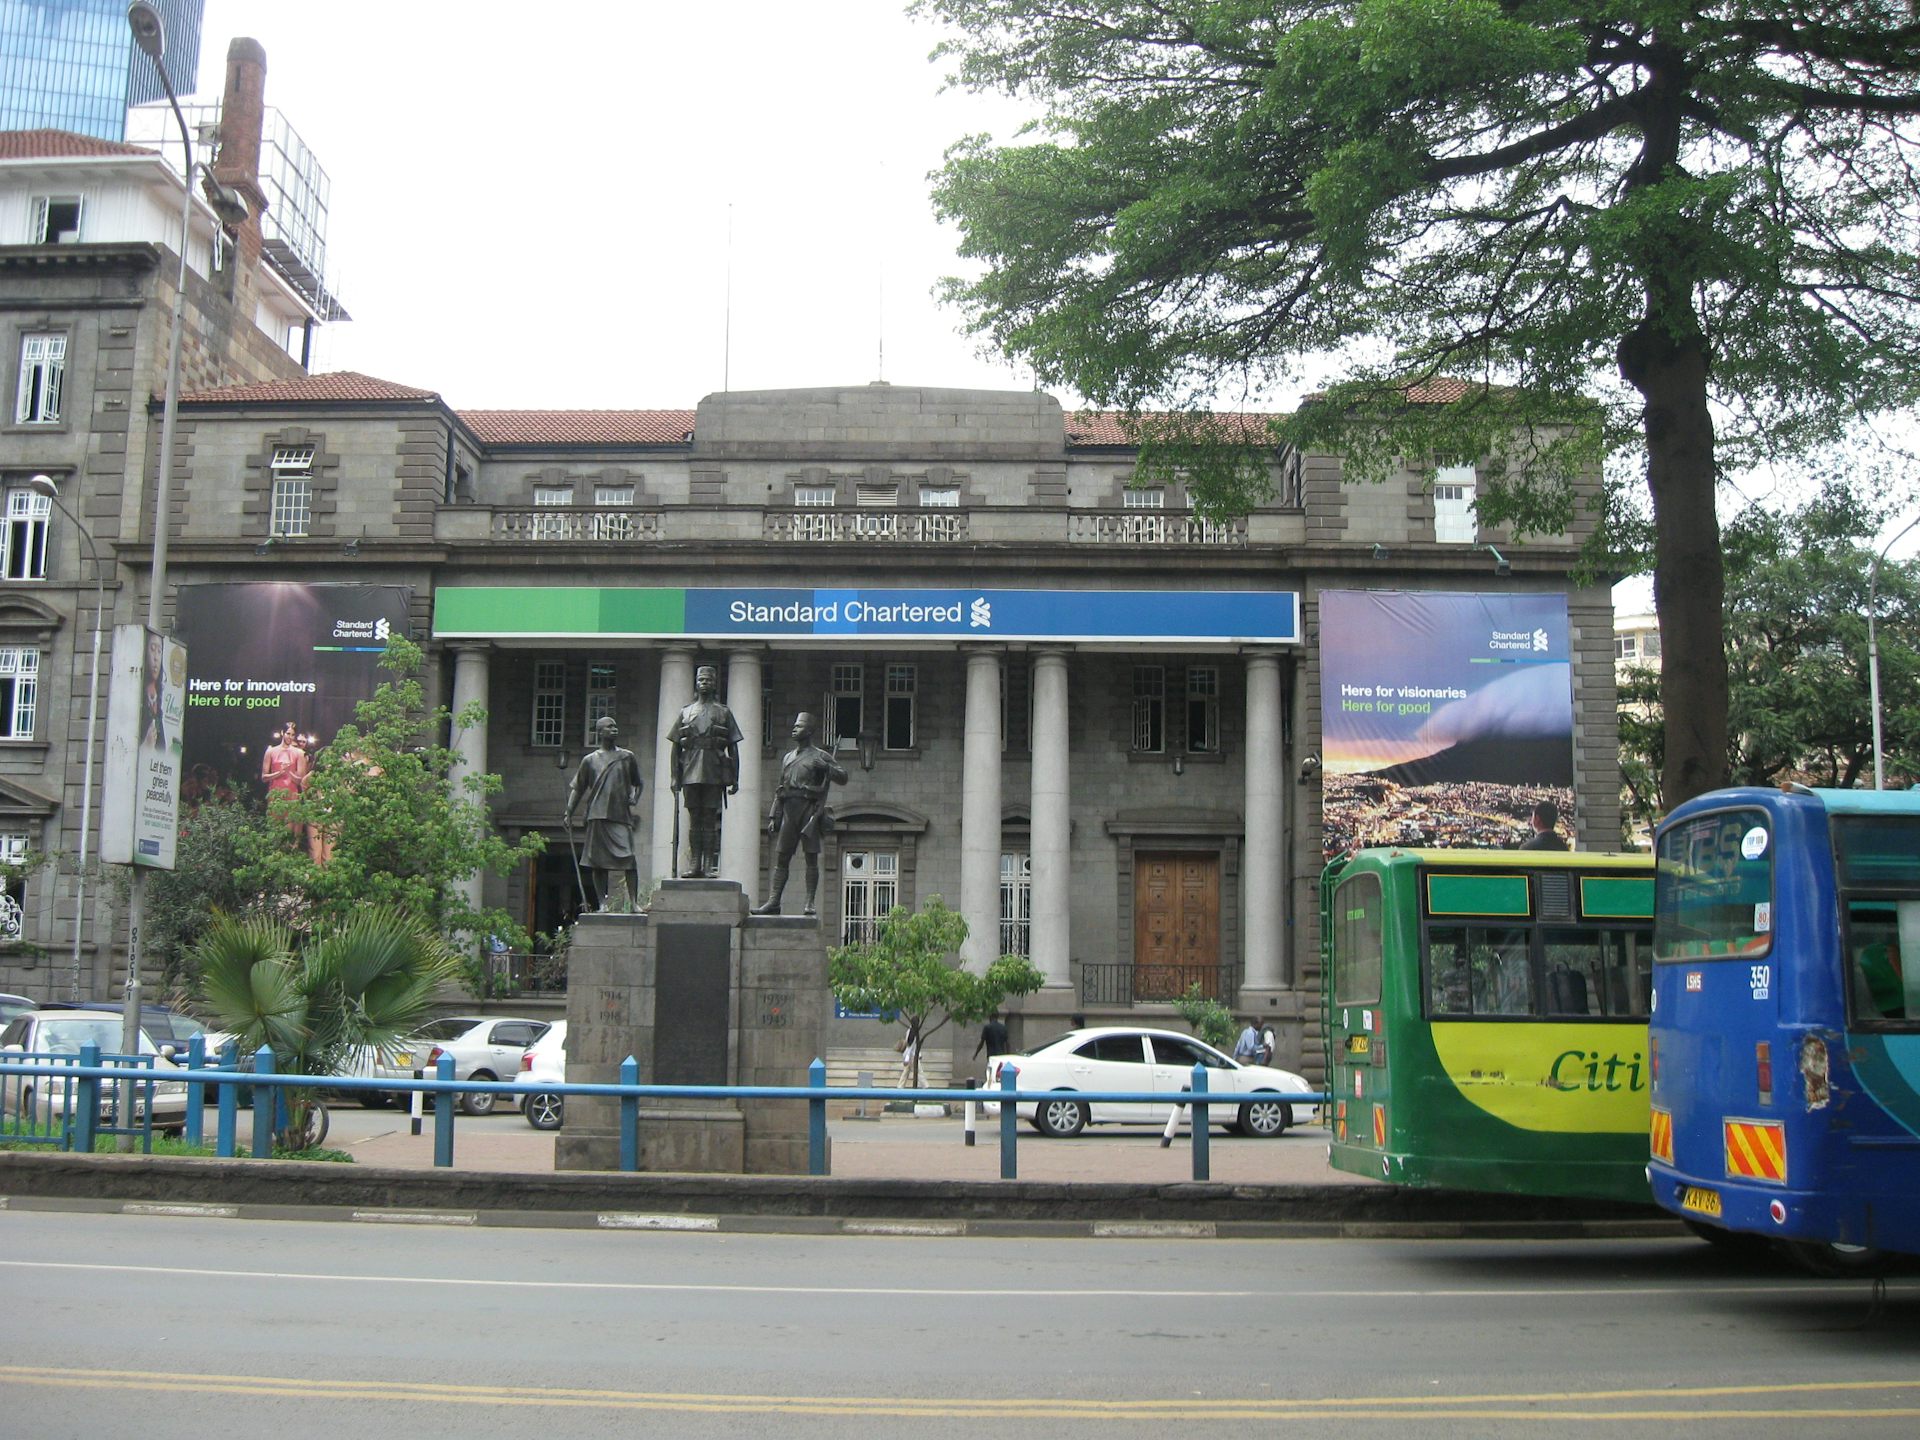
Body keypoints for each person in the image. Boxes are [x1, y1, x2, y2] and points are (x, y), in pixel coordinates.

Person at [753, 712, 847, 916]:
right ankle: (774, 901)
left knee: (811, 857)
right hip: (789, 808)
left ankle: (810, 902)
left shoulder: (820, 755)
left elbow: (842, 776)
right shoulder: (788, 757)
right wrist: (773, 816)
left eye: (800, 726)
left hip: (809, 808)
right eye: (794, 725)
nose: (794, 729)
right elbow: (781, 787)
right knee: (782, 857)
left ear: (810, 731)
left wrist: (827, 768)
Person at [668, 664, 743, 878]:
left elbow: (733, 747)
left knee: (710, 818)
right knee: (694, 818)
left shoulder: (724, 712)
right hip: (690, 768)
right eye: (701, 680)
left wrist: (735, 778)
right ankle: (695, 864)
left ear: (714, 684)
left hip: (714, 769)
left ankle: (709, 864)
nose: (704, 683)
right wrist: (674, 776)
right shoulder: (685, 712)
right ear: (696, 683)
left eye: (708, 680)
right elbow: (675, 746)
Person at [565, 716, 645, 911]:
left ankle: (634, 903)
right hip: (597, 814)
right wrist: (568, 813)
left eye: (615, 726)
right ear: (600, 732)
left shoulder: (627, 756)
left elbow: (639, 783)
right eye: (609, 727)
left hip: (620, 815)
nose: (614, 729)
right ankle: (602, 903)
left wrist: (634, 797)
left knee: (629, 859)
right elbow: (578, 788)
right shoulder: (589, 760)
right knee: (598, 863)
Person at [974, 1012, 1010, 1078]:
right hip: (1001, 1054)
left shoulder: (987, 1028)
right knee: (999, 1072)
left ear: (990, 1017)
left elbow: (981, 1043)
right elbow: (1007, 1043)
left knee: (991, 1072)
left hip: (991, 1054)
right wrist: (1008, 1055)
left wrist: (976, 1054)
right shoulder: (1003, 1028)